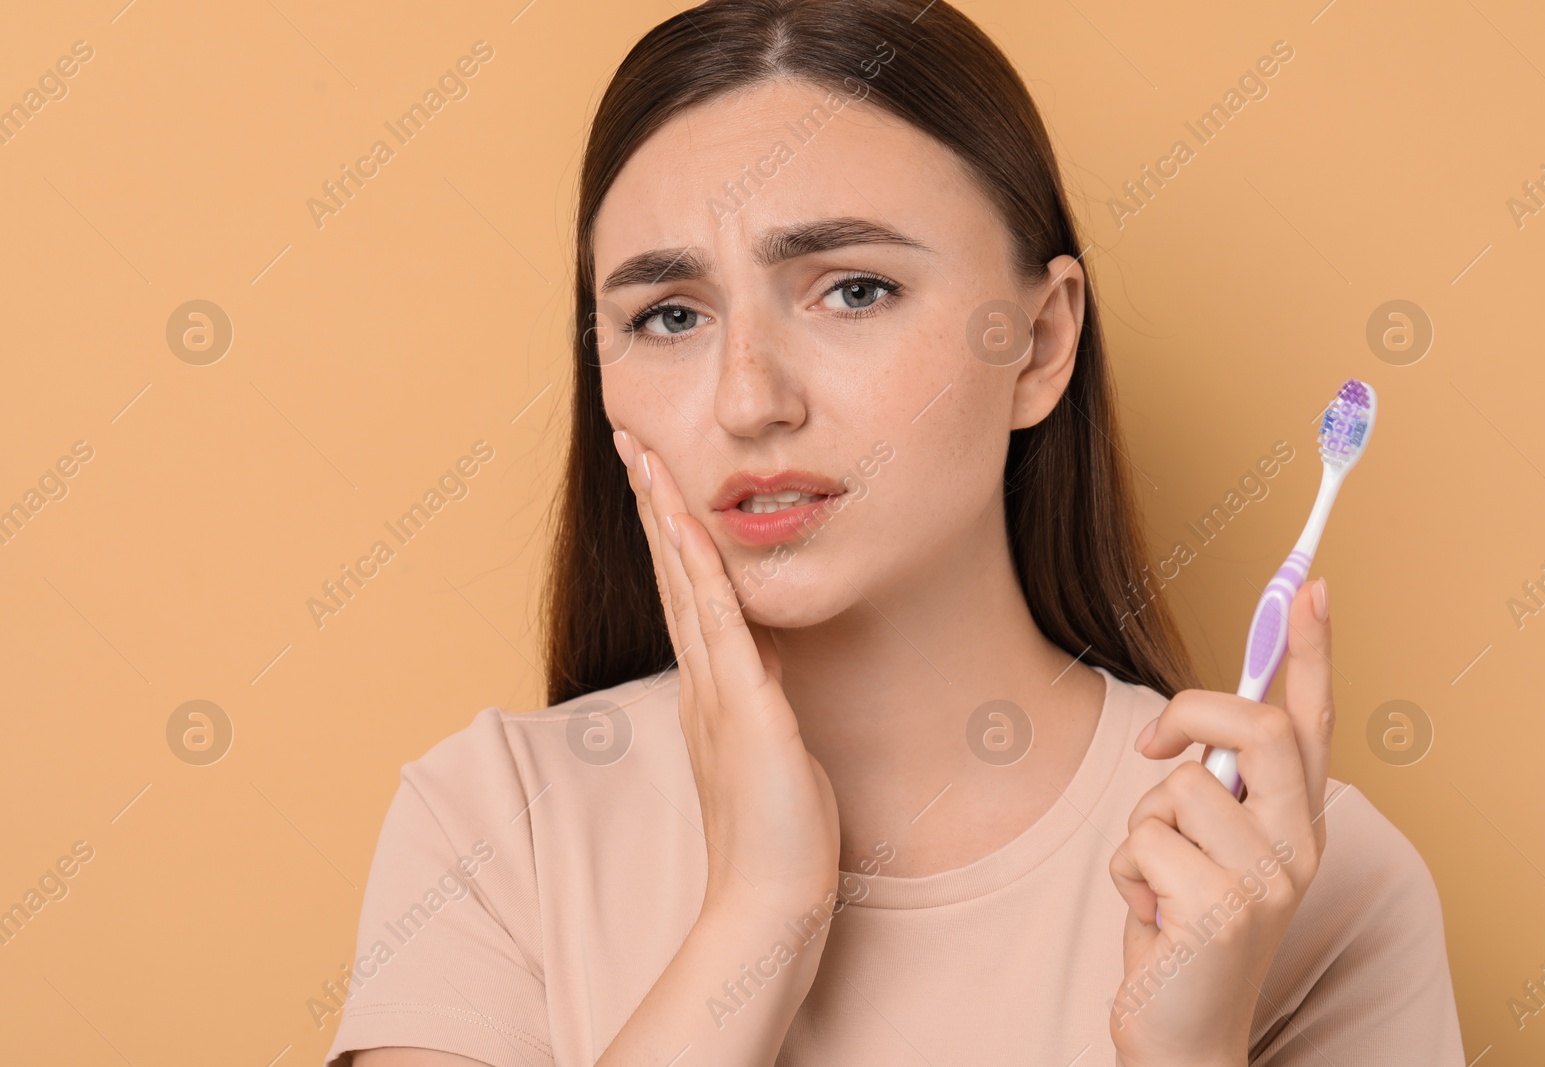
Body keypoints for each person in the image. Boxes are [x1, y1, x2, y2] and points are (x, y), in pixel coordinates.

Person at [324, 1, 1465, 1063]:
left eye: (853, 290)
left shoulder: (1304, 879)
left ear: (1041, 338)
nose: (747, 398)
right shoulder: (492, 827)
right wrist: (758, 915)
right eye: (667, 315)